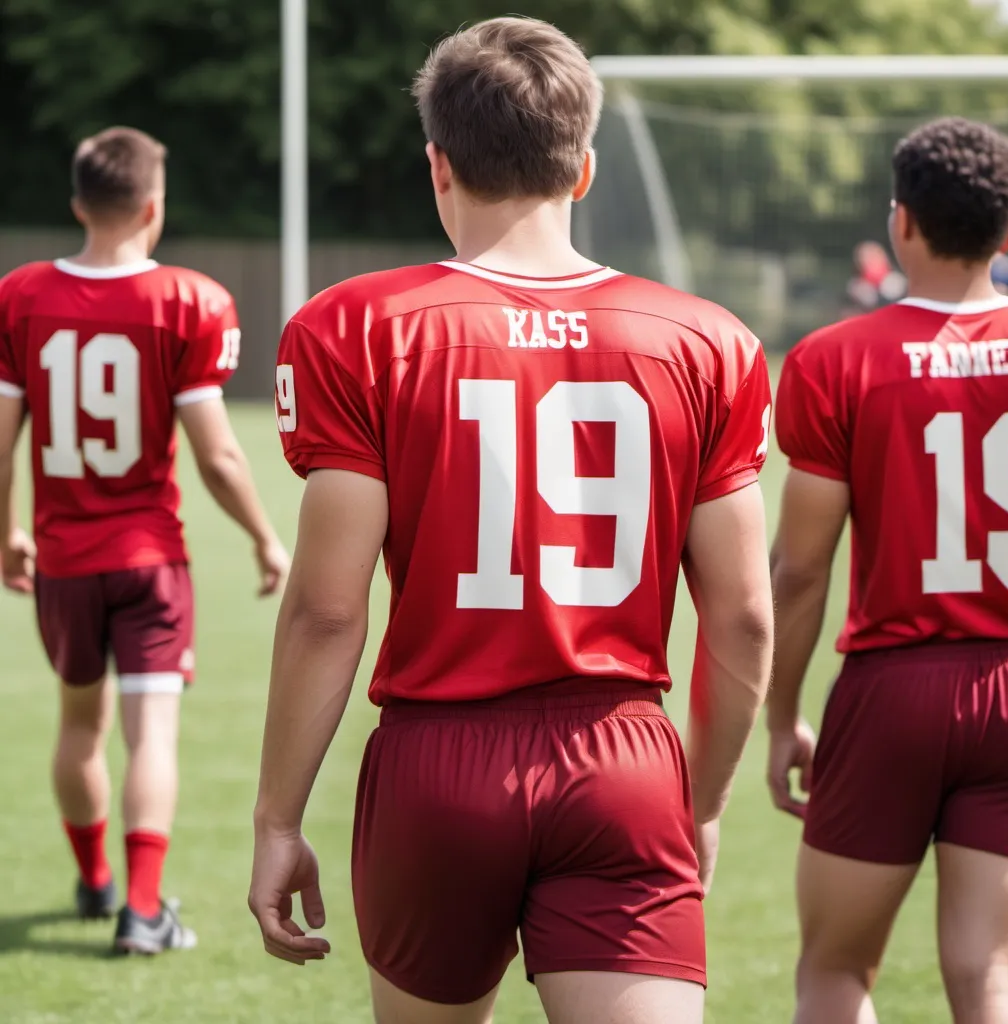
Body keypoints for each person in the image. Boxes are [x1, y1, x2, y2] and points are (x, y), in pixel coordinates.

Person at [248, 16, 774, 1024]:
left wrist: (277, 816)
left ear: (437, 164)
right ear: (582, 170)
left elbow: (326, 609)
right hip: (621, 755)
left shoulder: (357, 327)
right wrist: (697, 800)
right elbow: (742, 613)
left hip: (437, 762)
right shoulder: (707, 340)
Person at [0, 126, 290, 955]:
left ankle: (93, 881)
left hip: (63, 558)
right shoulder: (187, 301)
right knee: (151, 733)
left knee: (78, 727)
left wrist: (5, 532)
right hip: (149, 558)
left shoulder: (19, 295)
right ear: (154, 208)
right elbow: (218, 454)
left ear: (77, 205)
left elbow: (0, 441)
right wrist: (266, 537)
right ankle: (143, 909)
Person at [769, 116, 1008, 1024]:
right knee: (993, 975)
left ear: (899, 223)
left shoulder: (836, 361)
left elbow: (800, 570)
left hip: (893, 690)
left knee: (834, 973)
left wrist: (780, 713)